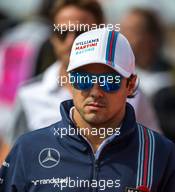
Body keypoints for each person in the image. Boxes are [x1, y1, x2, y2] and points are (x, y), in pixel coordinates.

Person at [0, 27, 175, 192]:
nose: (95, 91)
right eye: (83, 79)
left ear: (131, 84)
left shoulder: (161, 154)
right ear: (70, 81)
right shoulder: (28, 149)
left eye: (109, 81)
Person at [6, 0, 161, 146]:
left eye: (81, 33)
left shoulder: (131, 92)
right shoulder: (29, 94)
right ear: (52, 37)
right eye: (62, 33)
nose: (70, 41)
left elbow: (153, 152)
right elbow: (11, 160)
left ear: (101, 32)